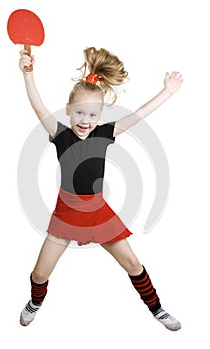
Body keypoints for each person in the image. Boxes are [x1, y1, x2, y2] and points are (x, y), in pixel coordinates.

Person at [18, 47, 183, 330]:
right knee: (40, 272)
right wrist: (28, 73)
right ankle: (35, 302)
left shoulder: (105, 133)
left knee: (132, 263)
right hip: (66, 213)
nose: (85, 121)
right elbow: (37, 105)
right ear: (68, 110)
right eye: (79, 113)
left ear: (100, 115)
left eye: (92, 115)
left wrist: (166, 92)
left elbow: (140, 114)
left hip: (98, 212)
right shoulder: (60, 135)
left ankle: (157, 309)